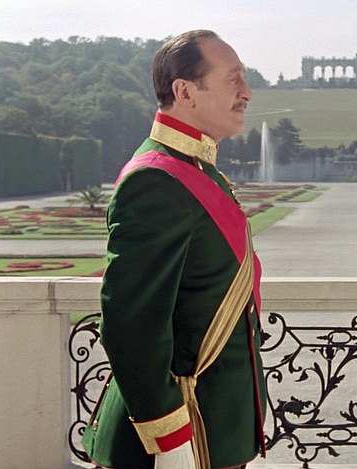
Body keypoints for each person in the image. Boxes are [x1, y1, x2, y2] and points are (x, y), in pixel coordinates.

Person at [81, 30, 266, 469]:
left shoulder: (197, 170)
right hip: (181, 432)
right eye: (233, 79)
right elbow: (131, 325)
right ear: (185, 92)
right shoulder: (156, 181)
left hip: (215, 428)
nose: (247, 92)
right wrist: (169, 440)